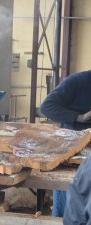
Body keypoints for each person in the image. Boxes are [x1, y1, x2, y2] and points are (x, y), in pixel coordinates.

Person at [39, 70, 91, 220]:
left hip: (88, 155)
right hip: (70, 153)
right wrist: (79, 117)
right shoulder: (77, 81)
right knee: (67, 198)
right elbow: (46, 107)